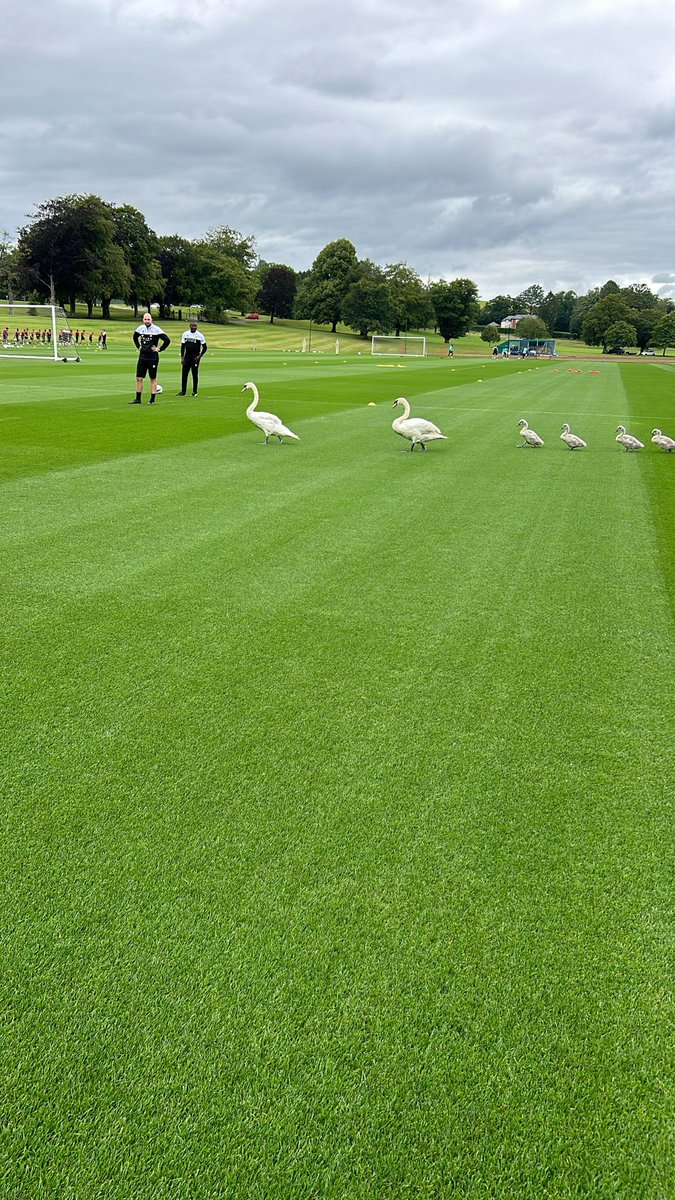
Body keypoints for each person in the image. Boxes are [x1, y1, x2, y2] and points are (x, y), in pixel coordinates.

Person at [131, 312, 170, 404]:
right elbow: (135, 337)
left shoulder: (156, 329)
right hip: (142, 357)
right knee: (139, 378)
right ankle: (138, 399)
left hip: (152, 358)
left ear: (151, 320)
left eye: (148, 319)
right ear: (143, 320)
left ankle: (152, 400)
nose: (147, 321)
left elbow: (167, 340)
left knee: (153, 378)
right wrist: (138, 346)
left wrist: (159, 349)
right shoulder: (140, 328)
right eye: (145, 319)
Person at [177, 319, 207, 396]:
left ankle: (195, 391)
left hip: (195, 357)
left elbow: (205, 348)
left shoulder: (200, 335)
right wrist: (182, 357)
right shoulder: (185, 334)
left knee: (194, 374)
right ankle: (183, 391)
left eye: (195, 326)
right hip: (187, 357)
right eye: (192, 326)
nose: (194, 327)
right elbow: (183, 347)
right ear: (189, 326)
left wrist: (199, 356)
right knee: (184, 374)